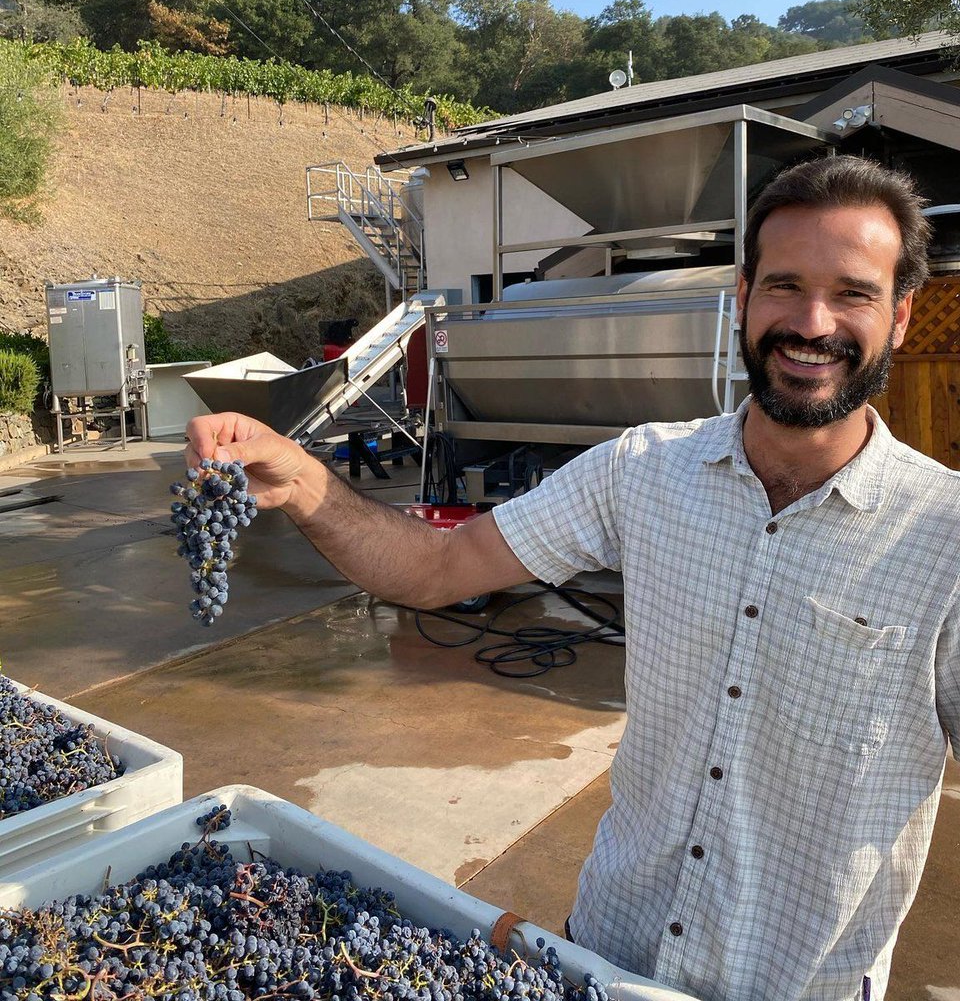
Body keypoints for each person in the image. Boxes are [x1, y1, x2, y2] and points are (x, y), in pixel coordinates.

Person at [185, 156, 960, 1001]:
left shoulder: (945, 539)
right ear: (742, 298)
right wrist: (303, 480)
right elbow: (439, 565)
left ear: (902, 315)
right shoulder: (643, 472)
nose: (812, 322)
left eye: (852, 293)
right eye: (784, 286)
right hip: (601, 961)